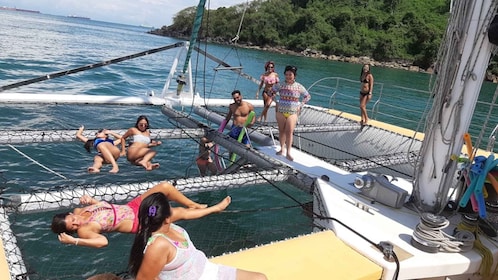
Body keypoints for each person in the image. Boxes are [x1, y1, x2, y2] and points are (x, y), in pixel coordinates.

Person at [128, 192, 268, 280]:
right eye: (171, 208)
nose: (175, 210)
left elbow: (187, 213)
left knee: (260, 278)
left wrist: (216, 208)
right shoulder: (158, 245)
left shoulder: (165, 224)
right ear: (166, 218)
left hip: (209, 270)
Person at [51, 181, 230, 249]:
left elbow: (102, 208)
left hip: (134, 206)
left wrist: (91, 200)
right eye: (72, 227)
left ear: (69, 214)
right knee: (177, 213)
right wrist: (74, 241)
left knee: (165, 187)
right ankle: (214, 209)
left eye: (72, 220)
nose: (76, 223)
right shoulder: (84, 232)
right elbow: (102, 242)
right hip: (142, 220)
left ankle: (194, 204)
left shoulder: (78, 211)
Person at [273, 65, 311, 161]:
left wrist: (300, 105)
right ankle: (282, 149)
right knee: (281, 131)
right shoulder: (280, 85)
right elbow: (270, 93)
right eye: (287, 74)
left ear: (294, 75)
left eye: (290, 74)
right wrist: (276, 102)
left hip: (292, 112)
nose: (288, 76)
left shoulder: (298, 86)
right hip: (281, 111)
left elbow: (307, 96)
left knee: (289, 132)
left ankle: (288, 152)